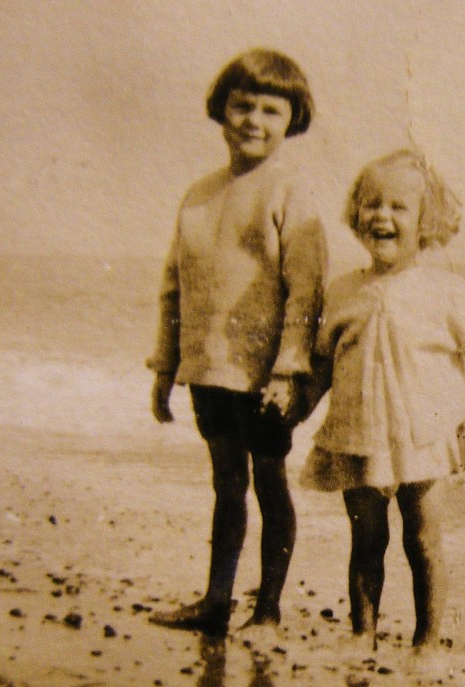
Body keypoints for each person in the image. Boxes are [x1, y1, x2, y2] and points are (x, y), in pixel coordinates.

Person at [300, 149, 465, 651]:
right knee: (366, 540)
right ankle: (362, 633)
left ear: (426, 222)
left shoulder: (445, 289)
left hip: (426, 437)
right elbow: (323, 365)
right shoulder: (343, 291)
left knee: (424, 540)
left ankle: (427, 640)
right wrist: (293, 410)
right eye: (372, 204)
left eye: (398, 207)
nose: (382, 216)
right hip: (360, 434)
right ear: (356, 214)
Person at [146, 49, 327, 636]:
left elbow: (306, 291)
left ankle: (267, 610)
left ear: (292, 119)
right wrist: (165, 367)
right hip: (209, 369)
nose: (253, 120)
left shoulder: (289, 193)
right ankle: (216, 600)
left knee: (270, 482)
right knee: (226, 484)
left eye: (271, 110)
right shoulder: (198, 195)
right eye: (242, 105)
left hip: (265, 376)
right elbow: (173, 287)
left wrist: (289, 371)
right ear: (221, 110)